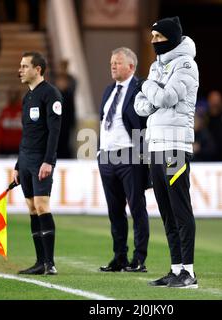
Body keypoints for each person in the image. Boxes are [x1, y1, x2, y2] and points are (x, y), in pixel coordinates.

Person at [135, 16, 199, 288]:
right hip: (157, 144)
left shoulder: (186, 64)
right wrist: (151, 93)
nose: (153, 42)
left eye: (158, 38)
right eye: (152, 38)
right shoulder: (157, 67)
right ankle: (175, 269)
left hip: (175, 144)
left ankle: (189, 272)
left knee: (180, 209)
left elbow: (165, 98)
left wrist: (144, 86)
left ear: (171, 38)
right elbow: (141, 107)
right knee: (166, 211)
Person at [98, 47, 150, 273]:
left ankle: (139, 259)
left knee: (137, 209)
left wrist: (142, 153)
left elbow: (145, 122)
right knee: (115, 211)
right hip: (107, 157)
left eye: (117, 62)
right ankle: (119, 257)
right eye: (111, 62)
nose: (112, 65)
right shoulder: (109, 90)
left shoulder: (141, 89)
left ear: (131, 66)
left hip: (130, 155)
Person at [12, 52, 62, 275]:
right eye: (20, 66)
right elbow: (27, 133)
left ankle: (50, 263)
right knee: (32, 208)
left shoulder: (51, 94)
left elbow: (54, 131)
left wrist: (48, 161)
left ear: (38, 70)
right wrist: (17, 165)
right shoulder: (27, 97)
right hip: (25, 159)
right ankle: (40, 262)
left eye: (24, 66)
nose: (20, 70)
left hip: (41, 160)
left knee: (42, 205)